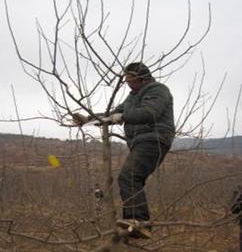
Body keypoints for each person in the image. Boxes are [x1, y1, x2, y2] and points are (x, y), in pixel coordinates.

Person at [73, 62, 175, 238]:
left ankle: (139, 221)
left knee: (129, 176)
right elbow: (111, 114)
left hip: (154, 139)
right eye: (126, 80)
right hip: (140, 142)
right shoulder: (132, 97)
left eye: (131, 79)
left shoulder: (158, 90)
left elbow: (150, 112)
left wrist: (123, 116)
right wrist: (87, 119)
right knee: (132, 180)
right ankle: (132, 225)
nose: (128, 83)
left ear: (141, 78)